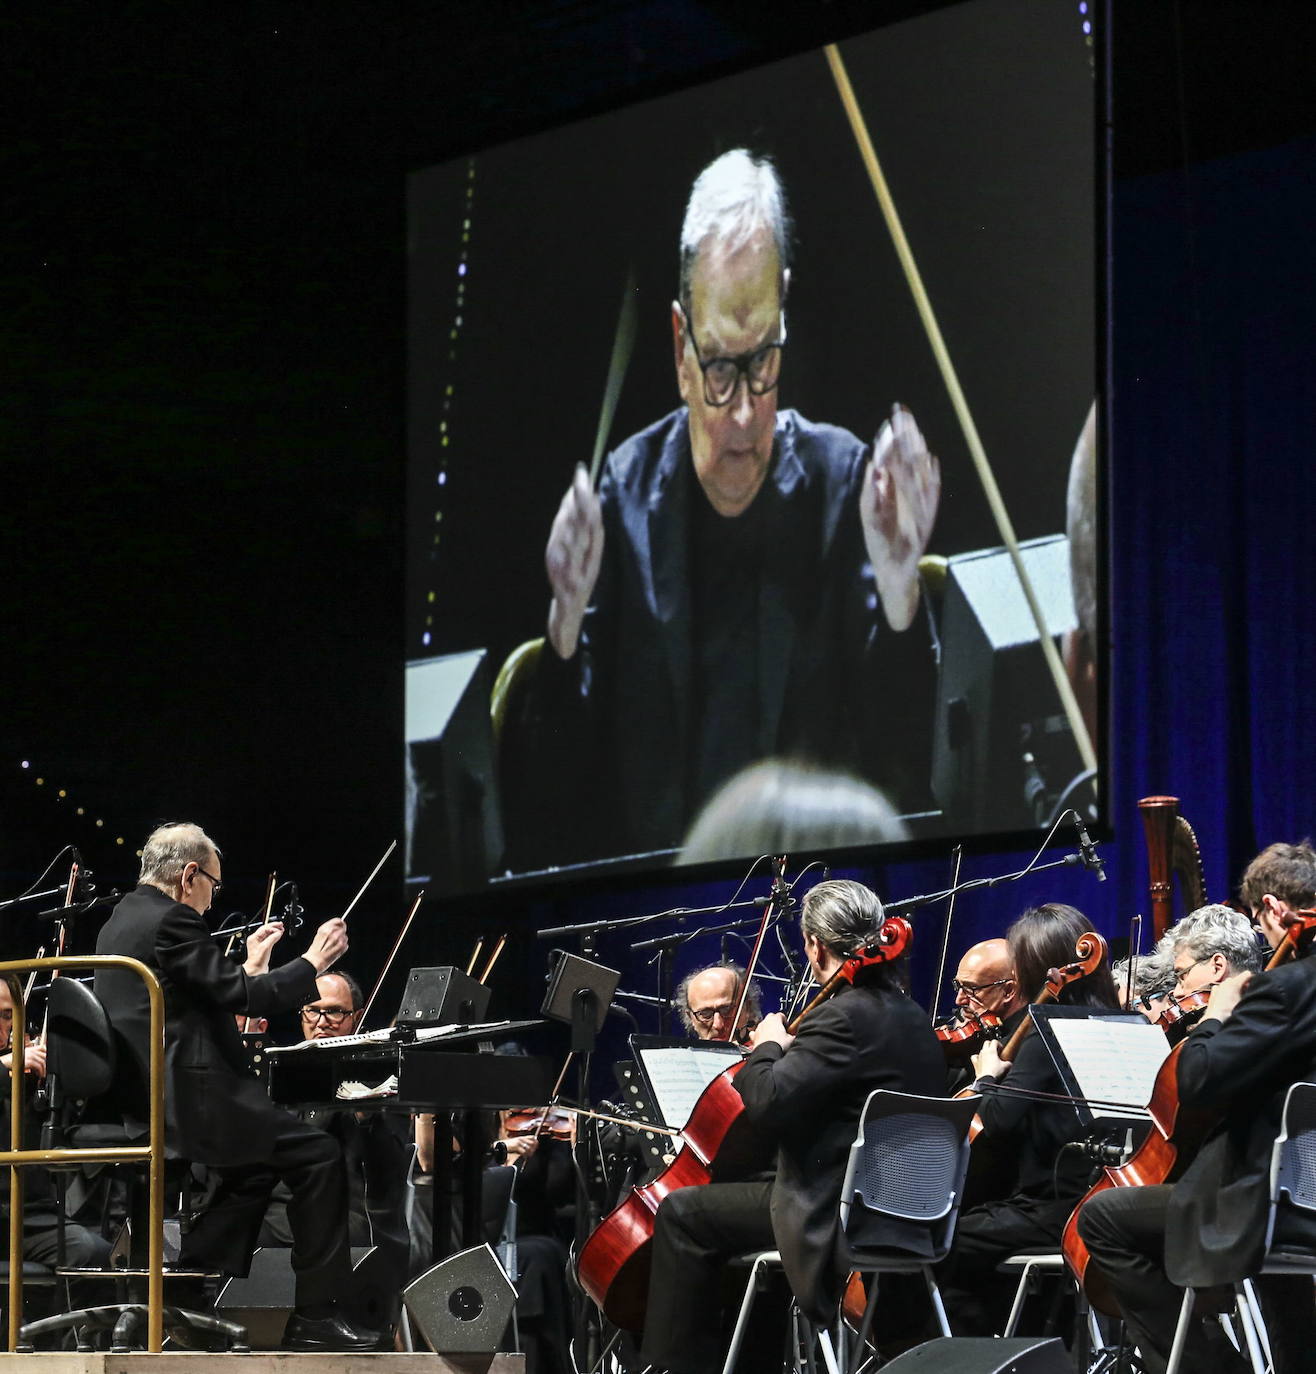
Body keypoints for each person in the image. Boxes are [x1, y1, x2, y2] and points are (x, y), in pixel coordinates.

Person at [529, 149, 941, 867]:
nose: (746, 415)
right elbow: (561, 791)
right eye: (721, 366)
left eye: (763, 360)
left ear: (783, 305)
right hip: (656, 900)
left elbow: (905, 764)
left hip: (815, 889)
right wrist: (563, 626)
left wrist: (901, 588)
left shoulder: (843, 482)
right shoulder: (624, 494)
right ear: (681, 344)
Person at [638, 879, 944, 1374]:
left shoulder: (840, 1018)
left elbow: (768, 1103)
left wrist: (769, 1045)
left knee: (682, 1211)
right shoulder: (910, 1015)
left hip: (838, 1212)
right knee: (745, 1197)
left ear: (815, 945)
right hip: (907, 1208)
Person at [93, 822, 376, 1351]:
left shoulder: (119, 922)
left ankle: (187, 1296)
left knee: (252, 1170)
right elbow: (245, 998)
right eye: (214, 887)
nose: (211, 899)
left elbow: (200, 996)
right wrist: (313, 962)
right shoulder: (173, 919)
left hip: (145, 1101)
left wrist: (248, 968)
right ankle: (315, 1315)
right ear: (190, 875)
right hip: (193, 1102)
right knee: (316, 1153)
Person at [1076, 851, 1316, 1374]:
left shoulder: (1285, 991)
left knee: (1102, 1218)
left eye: (1258, 919)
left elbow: (1199, 1079)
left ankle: (1208, 1368)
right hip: (1305, 1191)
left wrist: (1216, 1017)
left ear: (1274, 908)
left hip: (1262, 1201)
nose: (1261, 932)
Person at [937, 902, 1119, 1337]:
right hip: (1109, 1198)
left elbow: (998, 1121)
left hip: (1054, 1206)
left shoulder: (1047, 1026)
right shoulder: (1123, 1021)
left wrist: (985, 1079)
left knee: (941, 1242)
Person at [258, 970, 410, 1340]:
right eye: (313, 1011)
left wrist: (365, 1119)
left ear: (355, 1018)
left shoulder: (378, 1073)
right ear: (301, 1016)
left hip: (347, 1210)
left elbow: (391, 1165)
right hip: (277, 1206)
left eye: (335, 1013)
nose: (322, 1022)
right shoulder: (278, 1069)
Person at [1, 972, 111, 1270]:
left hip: (29, 1218)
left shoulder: (19, 1072)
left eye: (8, 1015)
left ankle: (54, 1318)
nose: (3, 1027)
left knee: (94, 1253)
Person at [675, 962, 763, 1042]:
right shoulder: (682, 1059)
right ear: (691, 1018)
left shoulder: (766, 1055)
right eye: (705, 1013)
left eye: (727, 1010)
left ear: (747, 1008)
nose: (718, 1025)